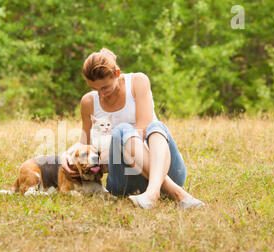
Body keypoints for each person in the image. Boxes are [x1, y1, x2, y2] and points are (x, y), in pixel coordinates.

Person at [60, 48, 205, 210]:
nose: (100, 94)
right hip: (125, 180)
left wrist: (112, 149)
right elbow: (84, 142)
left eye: (105, 88)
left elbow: (142, 128)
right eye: (95, 89)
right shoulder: (88, 102)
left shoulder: (138, 82)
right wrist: (66, 155)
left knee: (154, 126)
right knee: (122, 131)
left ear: (117, 73)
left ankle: (153, 191)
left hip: (167, 171)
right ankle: (175, 194)